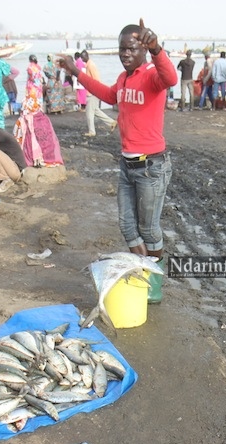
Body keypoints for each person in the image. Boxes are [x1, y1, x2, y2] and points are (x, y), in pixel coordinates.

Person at [57, 18, 176, 303]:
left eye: (131, 49)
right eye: (121, 49)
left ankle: (154, 283)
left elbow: (171, 78)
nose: (125, 54)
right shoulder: (124, 79)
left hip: (151, 166)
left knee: (148, 229)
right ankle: (144, 273)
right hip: (127, 164)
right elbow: (108, 94)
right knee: (126, 225)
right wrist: (76, 72)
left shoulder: (151, 75)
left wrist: (158, 48)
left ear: (143, 49)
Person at [13, 94, 63, 168]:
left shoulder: (22, 120)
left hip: (29, 154)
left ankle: (33, 160)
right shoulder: (44, 118)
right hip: (49, 154)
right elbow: (51, 137)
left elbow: (16, 135)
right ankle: (44, 159)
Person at [81, 50, 117, 136]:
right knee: (96, 111)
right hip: (92, 92)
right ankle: (112, 122)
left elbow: (96, 80)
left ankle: (92, 131)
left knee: (89, 112)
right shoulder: (88, 65)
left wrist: (96, 91)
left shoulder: (91, 66)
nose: (82, 59)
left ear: (86, 56)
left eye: (83, 57)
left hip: (94, 92)